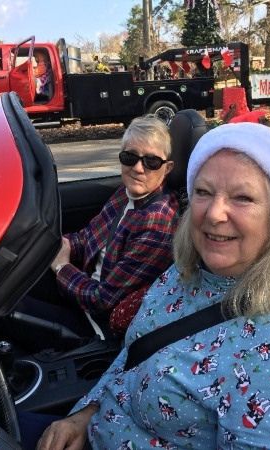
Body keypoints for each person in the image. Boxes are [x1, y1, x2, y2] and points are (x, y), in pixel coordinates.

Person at [36, 122, 270, 449]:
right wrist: (85, 415)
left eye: (243, 197)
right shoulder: (184, 273)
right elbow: (134, 352)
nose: (215, 213)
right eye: (203, 192)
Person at [41, 115, 178, 336]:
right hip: (80, 289)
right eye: (129, 157)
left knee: (8, 316)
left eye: (151, 161)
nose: (138, 168)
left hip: (96, 325)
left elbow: (101, 300)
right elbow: (88, 237)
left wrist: (61, 267)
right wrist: (57, 244)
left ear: (168, 168)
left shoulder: (157, 224)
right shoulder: (125, 195)